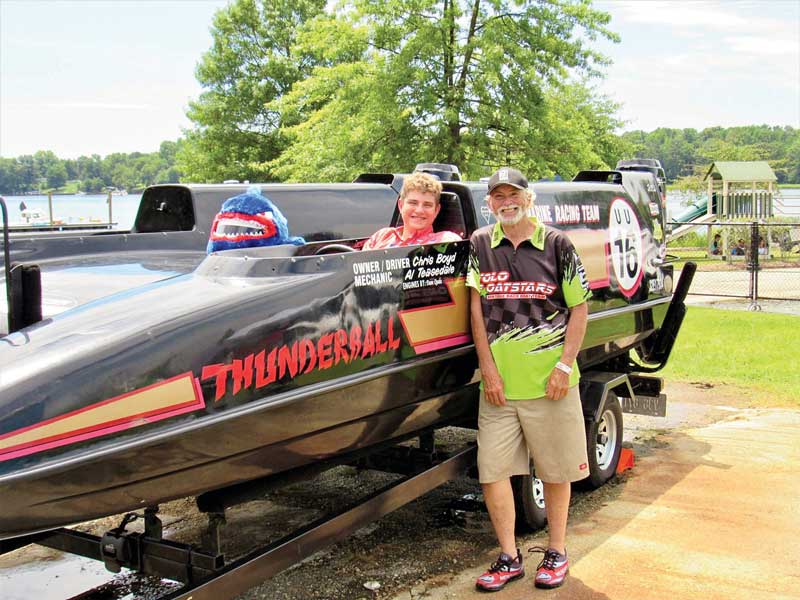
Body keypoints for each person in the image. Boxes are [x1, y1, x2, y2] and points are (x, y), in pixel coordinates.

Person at [467, 167, 590, 592]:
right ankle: (508, 556)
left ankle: (556, 551)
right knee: (492, 472)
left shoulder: (557, 244)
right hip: (499, 388)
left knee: (555, 472)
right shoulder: (480, 243)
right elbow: (476, 312)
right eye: (498, 196)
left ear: (528, 198)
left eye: (513, 194)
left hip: (550, 384)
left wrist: (563, 365)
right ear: (490, 203)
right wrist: (488, 370)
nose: (506, 202)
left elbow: (579, 309)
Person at [361, 172, 462, 249]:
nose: (419, 210)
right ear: (400, 205)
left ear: (436, 210)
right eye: (413, 203)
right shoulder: (381, 237)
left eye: (427, 205)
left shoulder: (445, 241)